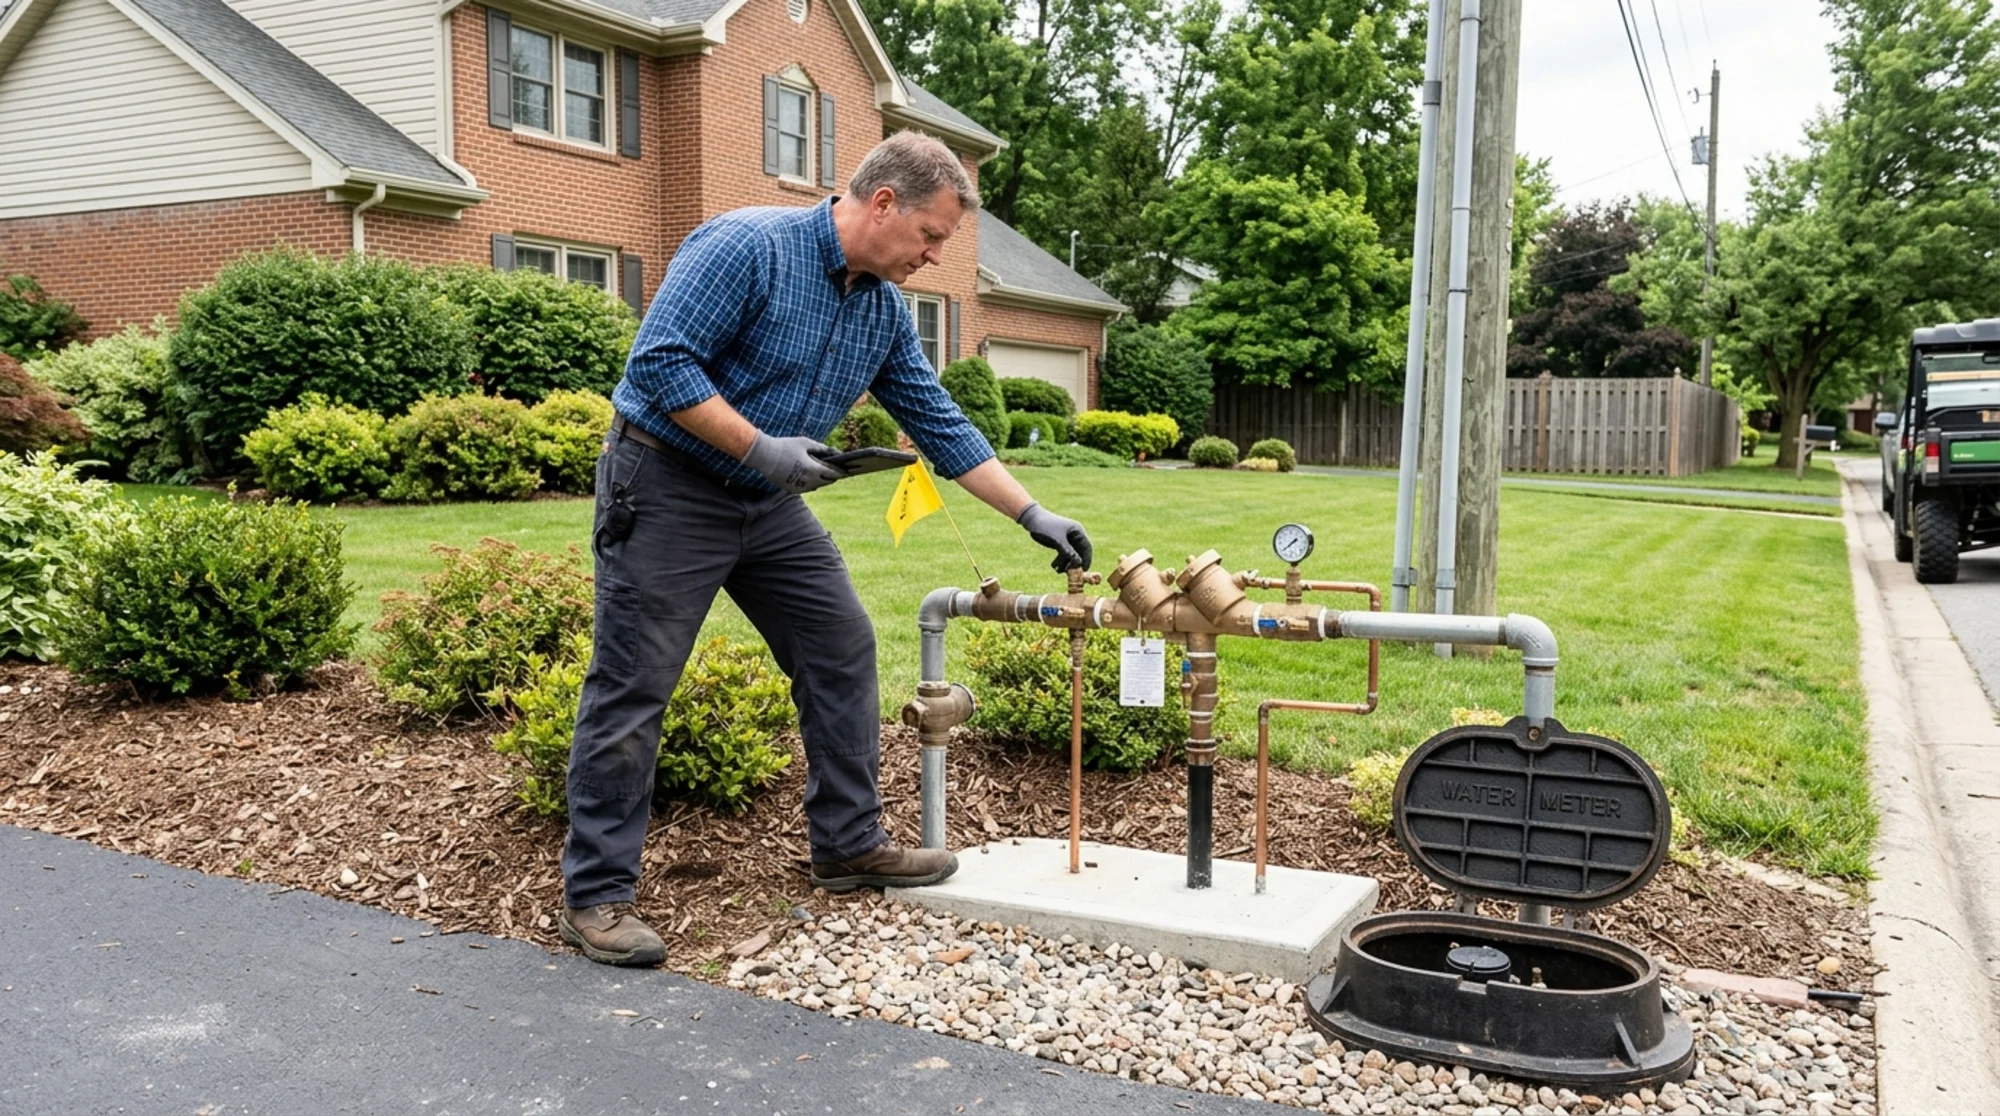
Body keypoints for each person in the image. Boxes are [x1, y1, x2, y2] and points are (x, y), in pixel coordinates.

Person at [559, 131, 1095, 967]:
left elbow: (937, 421)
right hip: (665, 487)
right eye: (931, 236)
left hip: (766, 506)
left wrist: (1032, 514)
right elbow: (660, 365)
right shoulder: (747, 247)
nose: (935, 256)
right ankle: (596, 893)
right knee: (634, 682)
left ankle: (847, 843)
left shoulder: (879, 307)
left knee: (841, 645)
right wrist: (760, 447)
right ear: (883, 204)